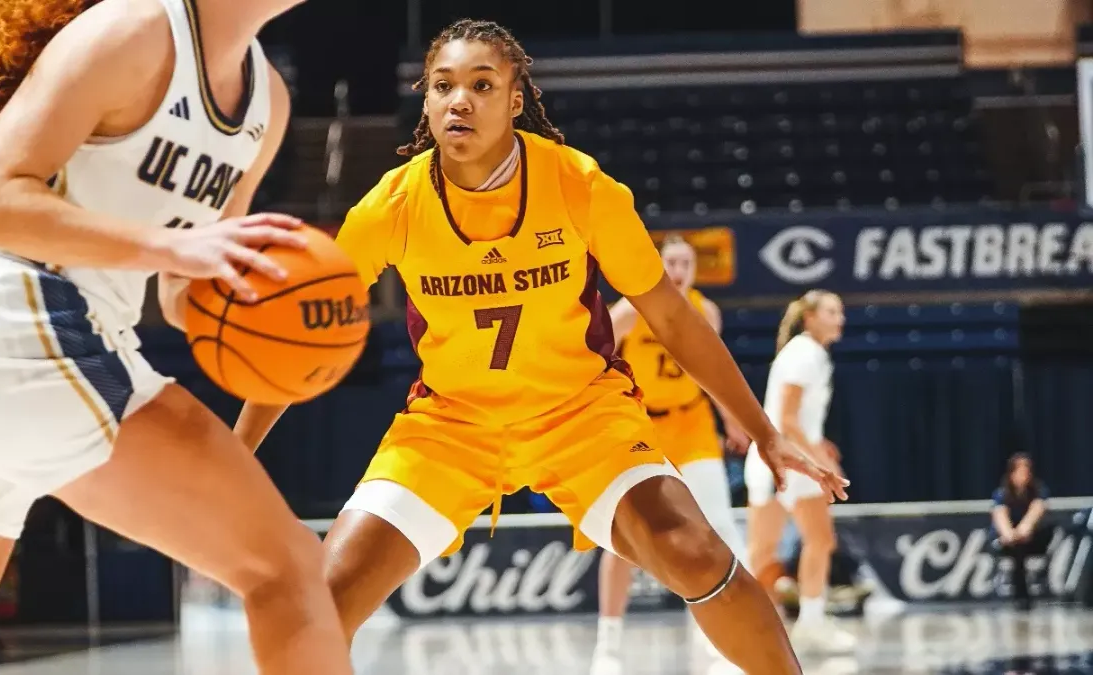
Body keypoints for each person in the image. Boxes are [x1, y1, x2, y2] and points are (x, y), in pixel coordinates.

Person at [235, 19, 847, 674]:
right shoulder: (393, 204)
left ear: (515, 98)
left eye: (481, 84)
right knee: (319, 603)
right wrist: (235, 455)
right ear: (427, 99)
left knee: (697, 552)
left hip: (581, 414)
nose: (458, 101)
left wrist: (761, 429)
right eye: (442, 86)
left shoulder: (579, 185)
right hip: (451, 426)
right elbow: (298, 337)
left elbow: (671, 317)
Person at [0, 0, 352, 672]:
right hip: (20, 324)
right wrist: (170, 247)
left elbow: (184, 286)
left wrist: (275, 308)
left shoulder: (267, 101)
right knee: (288, 571)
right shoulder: (134, 30)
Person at [590, 234, 750, 675]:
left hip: (692, 422)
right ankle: (609, 646)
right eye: (672, 263)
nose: (679, 271)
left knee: (718, 526)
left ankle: (724, 642)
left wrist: (733, 418)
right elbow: (589, 362)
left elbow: (712, 370)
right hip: (641, 425)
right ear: (659, 266)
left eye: (686, 263)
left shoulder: (706, 311)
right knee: (622, 536)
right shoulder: (629, 309)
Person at [744, 290, 855, 654]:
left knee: (768, 549)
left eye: (841, 312)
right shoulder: (807, 353)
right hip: (788, 460)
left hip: (774, 457)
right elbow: (788, 421)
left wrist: (820, 443)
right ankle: (807, 622)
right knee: (812, 542)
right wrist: (820, 462)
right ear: (809, 318)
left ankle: (759, 627)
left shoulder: (807, 353)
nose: (840, 318)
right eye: (831, 311)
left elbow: (794, 419)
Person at [992, 452, 1050, 610]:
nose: (1025, 475)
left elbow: (1035, 513)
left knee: (1023, 545)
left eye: (1027, 471)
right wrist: (1010, 534)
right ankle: (1021, 597)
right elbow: (1000, 516)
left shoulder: (1038, 492)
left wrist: (1021, 532)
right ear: (1011, 474)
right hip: (1010, 541)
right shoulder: (1001, 494)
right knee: (1017, 549)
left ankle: (1024, 596)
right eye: (1020, 471)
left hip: (1030, 537)